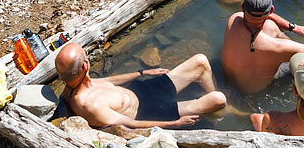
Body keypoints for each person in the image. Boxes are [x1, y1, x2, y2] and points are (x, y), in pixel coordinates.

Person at [54, 42, 226, 129]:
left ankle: (218, 103)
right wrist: (173, 124)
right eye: (86, 56)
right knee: (218, 99)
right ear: (85, 66)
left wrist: (141, 73)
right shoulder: (89, 105)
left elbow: (109, 81)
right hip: (152, 111)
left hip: (142, 90)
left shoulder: (77, 82)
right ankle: (224, 113)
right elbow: (128, 123)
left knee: (200, 61)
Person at [221, 0, 304, 94]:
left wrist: (294, 28)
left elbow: (265, 16)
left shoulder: (233, 19)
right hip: (257, 92)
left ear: (242, 7)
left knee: (270, 26)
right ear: (272, 9)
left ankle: (294, 45)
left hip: (230, 81)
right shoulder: (277, 47)